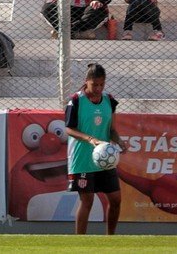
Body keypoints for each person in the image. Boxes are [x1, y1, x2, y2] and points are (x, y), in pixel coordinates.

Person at [64, 62, 124, 235]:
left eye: (101, 85)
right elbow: (69, 128)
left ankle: (110, 239)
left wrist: (119, 140)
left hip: (104, 158)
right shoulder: (76, 100)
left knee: (116, 199)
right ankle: (80, 243)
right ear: (86, 81)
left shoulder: (109, 100)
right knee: (87, 200)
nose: (98, 88)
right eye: (94, 84)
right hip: (82, 158)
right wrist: (90, 139)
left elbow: (111, 129)